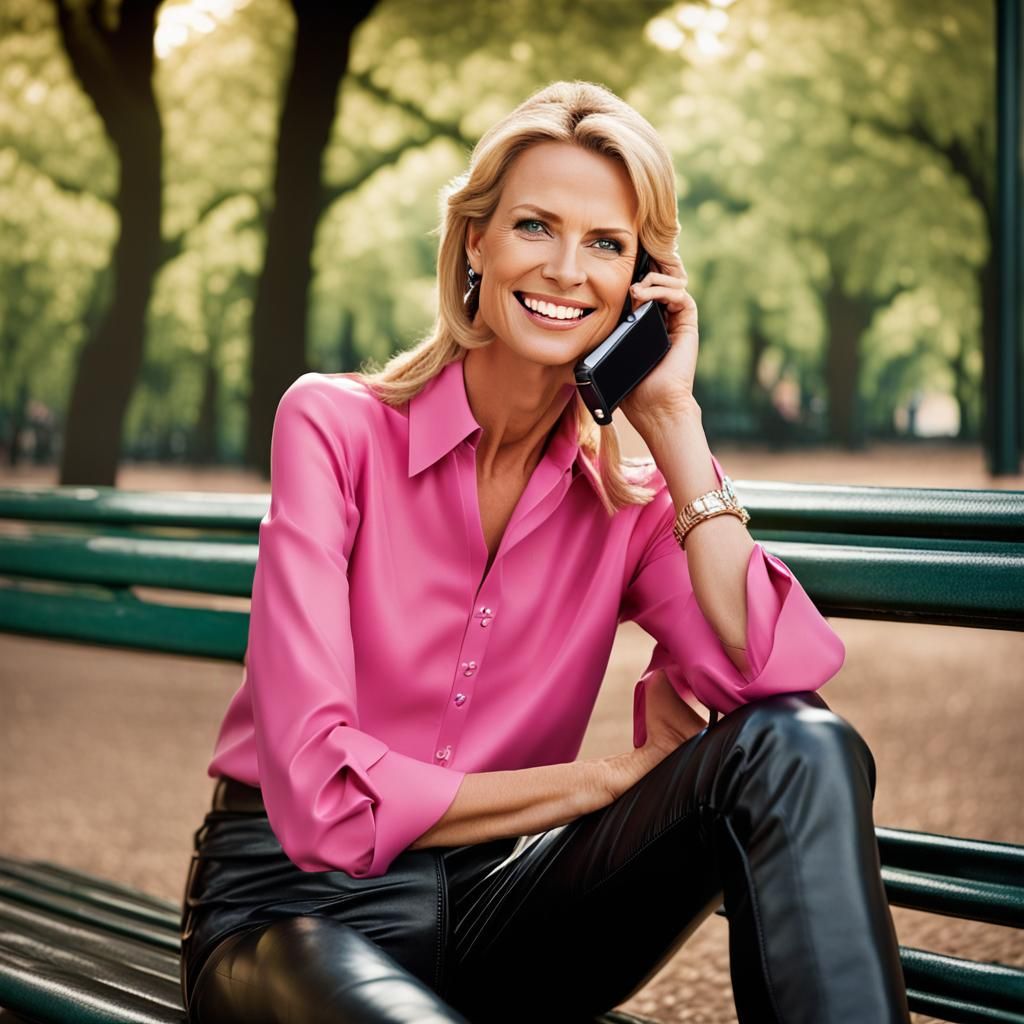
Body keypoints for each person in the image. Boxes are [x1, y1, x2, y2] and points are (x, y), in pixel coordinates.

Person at [178, 79, 911, 1023]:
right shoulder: (333, 427)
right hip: (290, 911)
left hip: (500, 911)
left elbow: (770, 676)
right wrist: (601, 780)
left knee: (798, 742)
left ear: (642, 283)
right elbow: (324, 797)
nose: (567, 270)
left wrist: (673, 422)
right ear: (475, 240)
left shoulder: (633, 499)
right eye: (535, 226)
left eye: (606, 243)